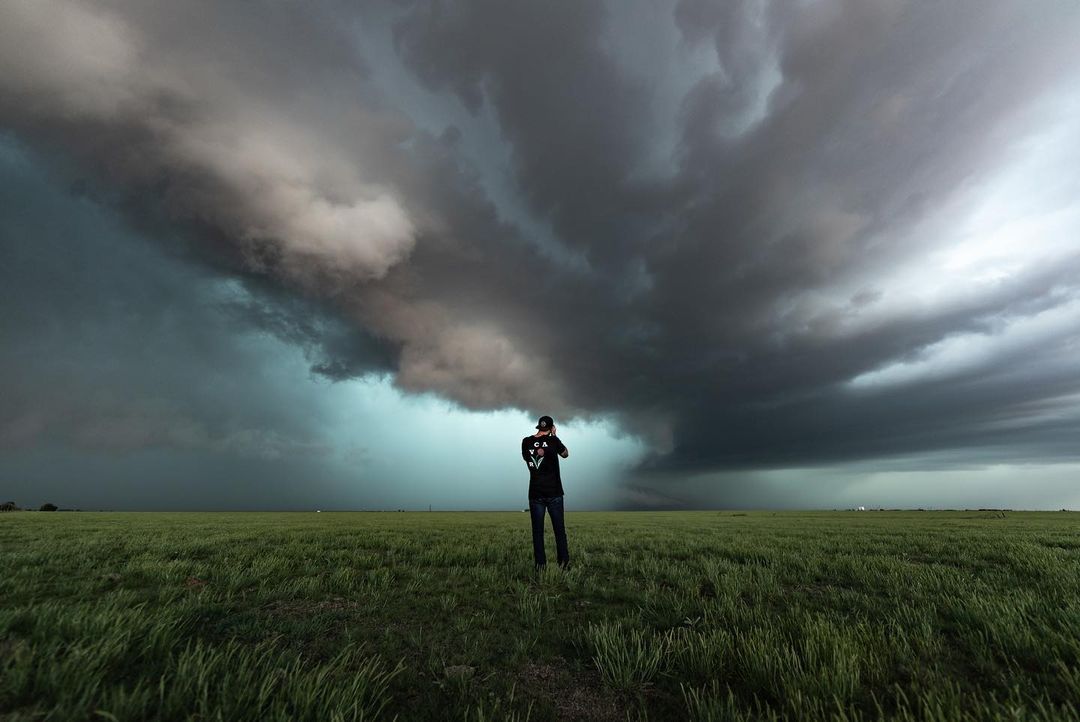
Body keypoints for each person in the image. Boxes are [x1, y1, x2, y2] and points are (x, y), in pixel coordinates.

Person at [522, 415, 570, 570]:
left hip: (535, 493)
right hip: (554, 493)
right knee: (559, 531)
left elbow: (528, 459)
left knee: (537, 533)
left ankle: (540, 567)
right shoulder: (553, 441)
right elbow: (565, 454)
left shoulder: (526, 442)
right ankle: (563, 565)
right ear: (551, 428)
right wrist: (554, 436)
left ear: (538, 427)